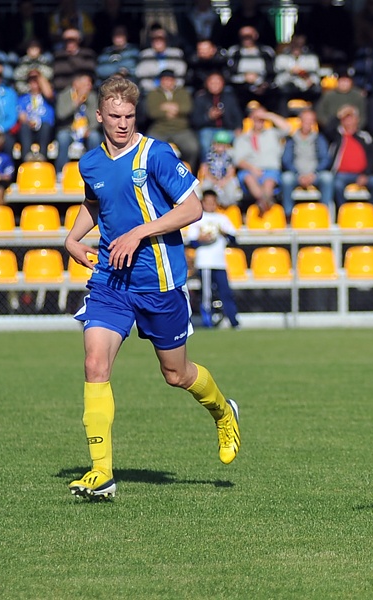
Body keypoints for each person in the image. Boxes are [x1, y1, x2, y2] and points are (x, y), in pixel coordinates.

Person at [63, 75, 240, 501]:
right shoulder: (90, 162)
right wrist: (71, 238)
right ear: (100, 114)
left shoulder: (155, 154)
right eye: (115, 116)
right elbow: (95, 201)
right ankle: (101, 473)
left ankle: (223, 411)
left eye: (129, 116)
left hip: (159, 282)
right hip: (110, 279)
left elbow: (193, 208)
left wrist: (139, 232)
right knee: (94, 364)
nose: (122, 124)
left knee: (176, 374)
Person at [186, 190, 240, 329]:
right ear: (203, 202)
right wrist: (201, 239)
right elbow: (191, 242)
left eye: (213, 202)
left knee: (226, 292)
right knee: (206, 294)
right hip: (205, 263)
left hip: (219, 262)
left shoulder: (222, 218)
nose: (210, 205)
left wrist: (224, 232)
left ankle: (233, 321)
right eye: (207, 202)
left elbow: (234, 239)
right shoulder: (197, 218)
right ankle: (207, 322)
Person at [233, 101, 290, 213]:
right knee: (249, 179)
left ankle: (261, 205)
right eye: (256, 118)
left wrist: (267, 115)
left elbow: (287, 128)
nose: (259, 122)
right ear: (251, 119)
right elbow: (237, 160)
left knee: (269, 182)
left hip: (270, 170)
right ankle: (266, 203)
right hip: (249, 170)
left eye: (261, 119)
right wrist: (252, 169)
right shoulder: (243, 138)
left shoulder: (272, 133)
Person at [327, 105, 373, 213]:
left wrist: (366, 174)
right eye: (345, 119)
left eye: (351, 118)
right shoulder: (337, 136)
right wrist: (339, 115)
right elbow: (328, 128)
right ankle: (343, 213)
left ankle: (372, 214)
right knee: (337, 185)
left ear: (357, 120)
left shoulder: (364, 136)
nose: (349, 121)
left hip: (362, 174)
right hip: (342, 174)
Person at [280, 109, 333, 215]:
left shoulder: (319, 139)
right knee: (286, 179)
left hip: (315, 174)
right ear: (300, 121)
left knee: (327, 178)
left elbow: (325, 159)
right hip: (296, 175)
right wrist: (298, 174)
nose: (307, 124)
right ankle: (288, 214)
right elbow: (286, 160)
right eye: (305, 120)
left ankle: (324, 212)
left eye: (310, 121)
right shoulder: (292, 139)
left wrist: (314, 174)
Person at [145, 69, 199, 170]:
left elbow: (187, 108)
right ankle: (153, 174)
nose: (167, 82)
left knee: (192, 148)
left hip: (181, 129)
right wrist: (173, 110)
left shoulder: (183, 92)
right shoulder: (153, 94)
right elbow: (152, 112)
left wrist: (166, 107)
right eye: (164, 80)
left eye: (170, 80)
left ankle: (189, 172)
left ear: (174, 81)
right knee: (148, 149)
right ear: (160, 81)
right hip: (159, 129)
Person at [54, 71, 102, 171]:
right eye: (86, 84)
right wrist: (76, 102)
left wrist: (89, 129)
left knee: (95, 136)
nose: (89, 86)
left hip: (86, 130)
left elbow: (96, 119)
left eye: (90, 84)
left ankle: (95, 169)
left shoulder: (92, 97)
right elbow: (61, 114)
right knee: (62, 137)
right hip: (69, 129)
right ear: (76, 84)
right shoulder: (64, 95)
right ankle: (61, 171)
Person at [16, 69, 56, 161]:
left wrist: (40, 77)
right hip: (29, 130)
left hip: (44, 130)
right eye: (32, 80)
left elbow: (49, 93)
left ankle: (42, 157)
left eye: (36, 80)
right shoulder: (23, 98)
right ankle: (26, 158)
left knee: (46, 126)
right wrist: (27, 120)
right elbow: (21, 115)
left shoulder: (47, 98)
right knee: (24, 127)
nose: (34, 83)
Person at [199, 130, 244, 208]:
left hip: (225, 179)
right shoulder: (208, 154)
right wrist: (213, 180)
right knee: (205, 187)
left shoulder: (230, 155)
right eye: (218, 145)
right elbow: (204, 169)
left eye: (223, 145)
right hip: (211, 178)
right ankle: (207, 205)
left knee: (232, 189)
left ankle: (227, 206)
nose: (220, 148)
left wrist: (224, 181)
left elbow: (231, 171)